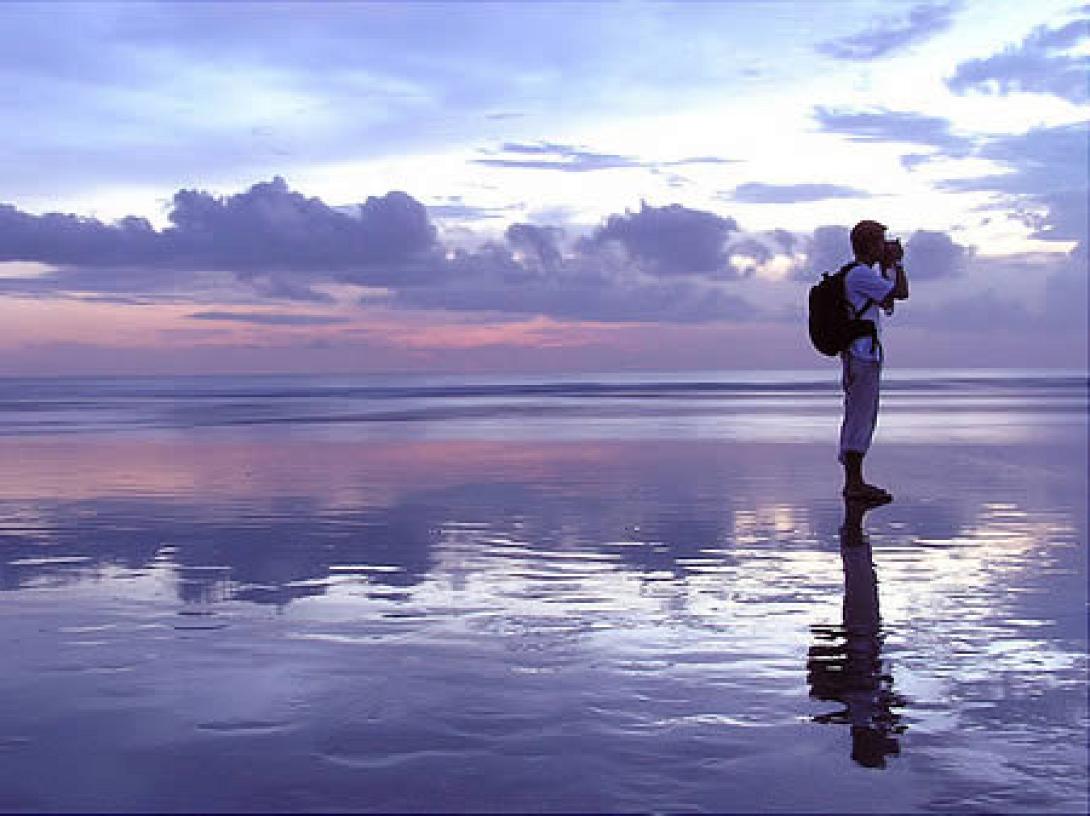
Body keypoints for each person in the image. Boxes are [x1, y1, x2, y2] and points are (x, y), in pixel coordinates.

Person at [839, 220, 909, 502]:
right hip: (862, 356)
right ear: (869, 245)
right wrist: (897, 263)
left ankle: (855, 481)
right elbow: (900, 292)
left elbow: (887, 302)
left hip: (861, 355)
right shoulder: (859, 275)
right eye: (881, 242)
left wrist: (886, 266)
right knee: (861, 417)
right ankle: (854, 483)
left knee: (860, 416)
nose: (885, 246)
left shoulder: (860, 275)